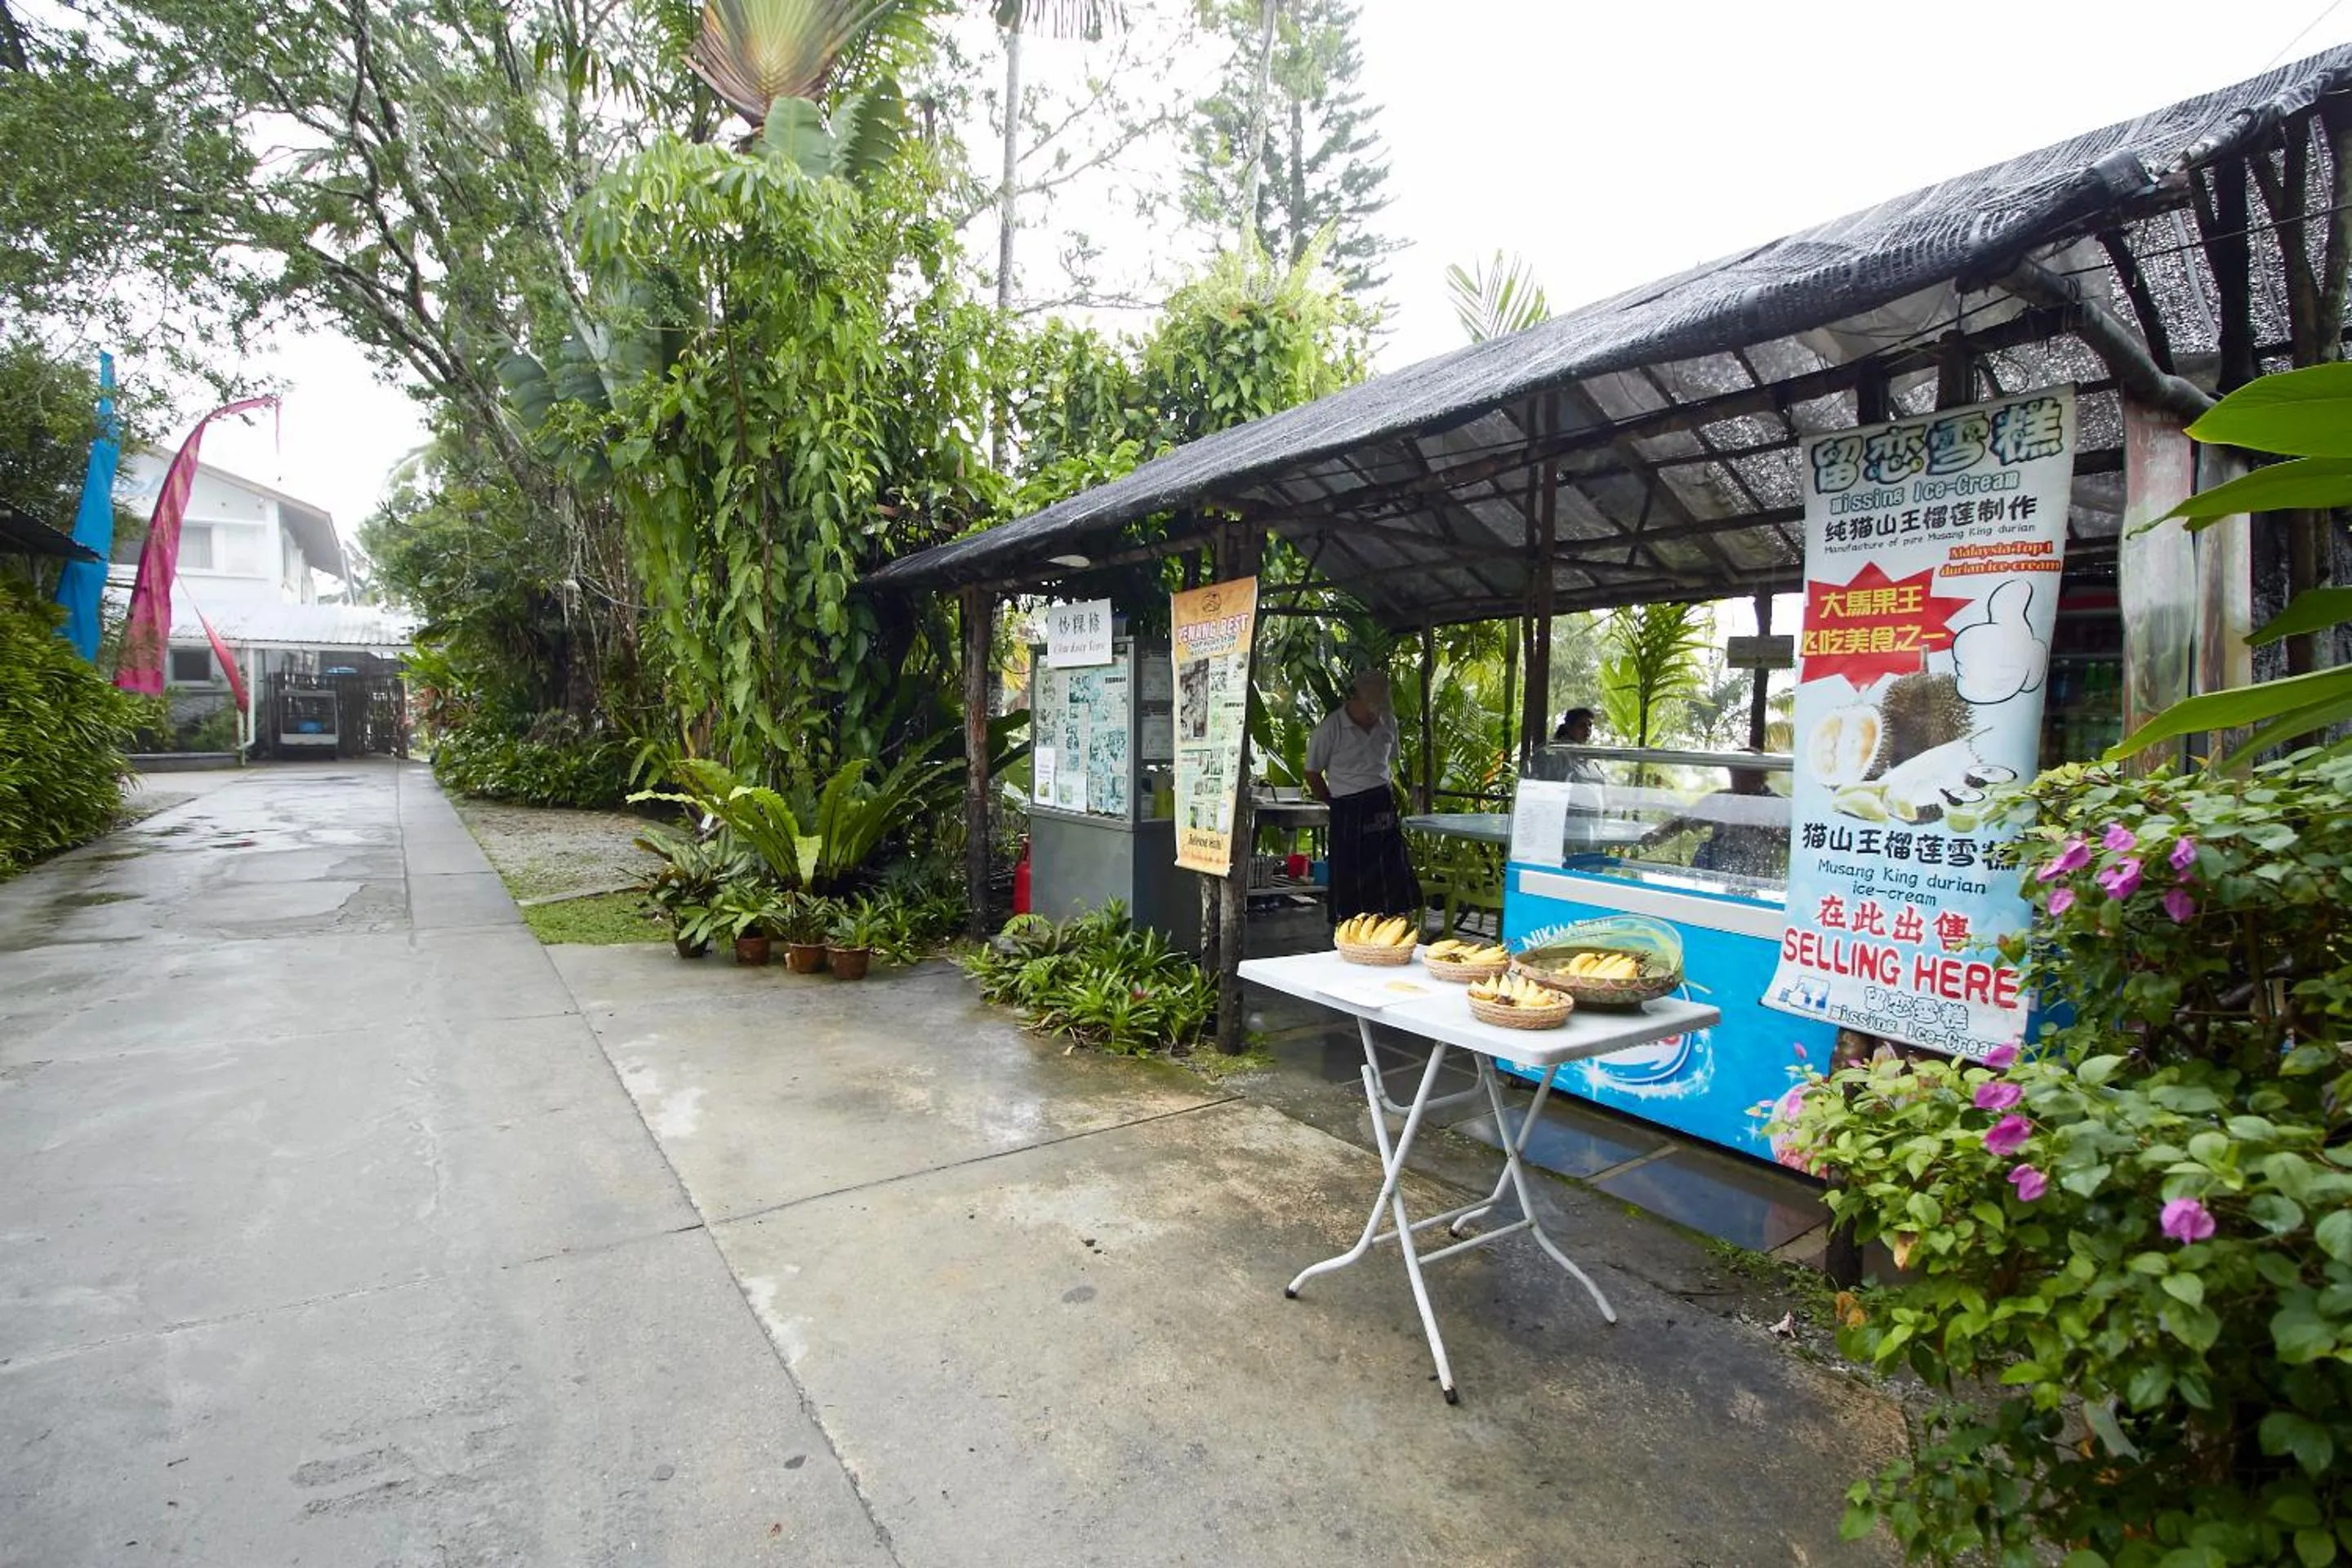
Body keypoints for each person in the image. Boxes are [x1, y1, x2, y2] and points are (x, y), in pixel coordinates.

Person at [1306, 669, 1423, 927]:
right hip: (1347, 805)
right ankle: (1348, 927)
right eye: (1372, 702)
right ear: (1356, 696)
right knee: (1348, 873)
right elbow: (1312, 772)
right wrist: (1333, 802)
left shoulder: (1388, 721)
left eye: (1381, 702)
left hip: (1381, 803)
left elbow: (1391, 762)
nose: (1376, 709)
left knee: (1392, 869)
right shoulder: (1331, 727)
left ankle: (1393, 922)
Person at [1641, 764, 1788, 880]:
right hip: (1715, 871)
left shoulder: (1776, 804)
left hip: (1757, 874)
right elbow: (1685, 819)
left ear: (1759, 776)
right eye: (1733, 773)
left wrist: (1763, 825)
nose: (1736, 778)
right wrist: (1657, 835)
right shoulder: (1721, 799)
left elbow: (1791, 841)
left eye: (1743, 774)